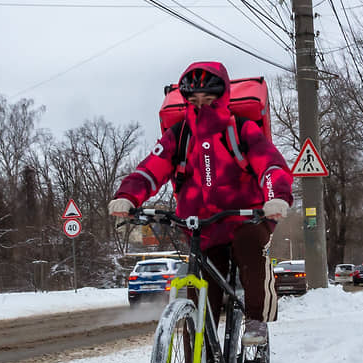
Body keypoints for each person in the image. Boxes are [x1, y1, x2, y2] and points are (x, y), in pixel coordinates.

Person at [108, 61, 293, 345]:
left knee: (249, 250)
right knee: (200, 297)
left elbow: (271, 165)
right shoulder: (180, 135)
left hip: (247, 217)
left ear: (223, 97)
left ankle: (256, 320)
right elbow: (151, 167)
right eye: (194, 101)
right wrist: (128, 195)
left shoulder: (241, 130)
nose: (201, 106)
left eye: (209, 100)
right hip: (203, 226)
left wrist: (277, 196)